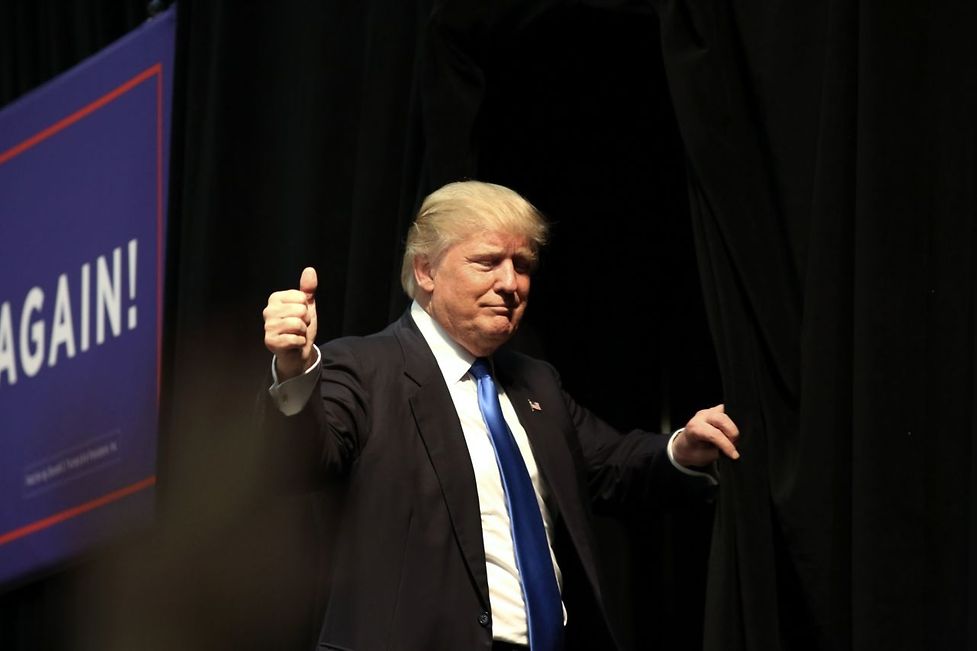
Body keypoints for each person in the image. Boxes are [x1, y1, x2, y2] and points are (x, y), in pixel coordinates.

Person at [261, 180, 739, 651]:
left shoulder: (538, 384)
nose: (510, 284)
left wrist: (682, 447)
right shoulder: (365, 369)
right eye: (487, 262)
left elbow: (613, 463)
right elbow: (298, 464)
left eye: (522, 264)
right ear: (426, 271)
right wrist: (296, 371)